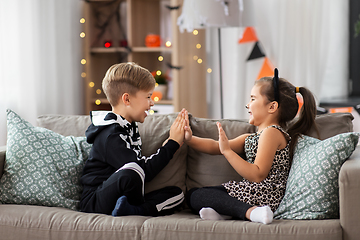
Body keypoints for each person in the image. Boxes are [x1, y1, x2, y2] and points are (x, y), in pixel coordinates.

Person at [184, 68, 317, 224]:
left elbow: (257, 174)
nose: (248, 105)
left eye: (253, 99)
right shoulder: (252, 137)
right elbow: (216, 146)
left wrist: (228, 152)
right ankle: (231, 211)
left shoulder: (272, 133)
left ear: (272, 107)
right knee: (194, 194)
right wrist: (189, 139)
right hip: (251, 193)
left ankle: (251, 212)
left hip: (265, 195)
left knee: (196, 196)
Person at [80, 62, 187, 217]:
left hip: (122, 193)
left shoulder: (129, 126)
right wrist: (172, 144)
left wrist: (167, 144)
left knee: (177, 194)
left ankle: (133, 210)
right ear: (127, 99)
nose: (152, 103)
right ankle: (135, 209)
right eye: (148, 97)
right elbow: (141, 171)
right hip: (95, 201)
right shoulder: (109, 134)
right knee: (133, 171)